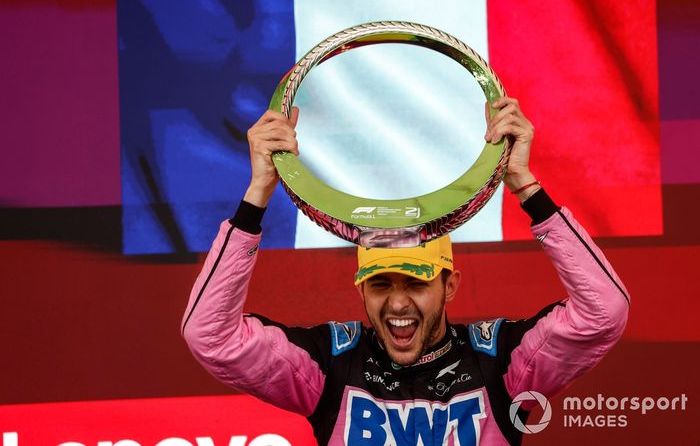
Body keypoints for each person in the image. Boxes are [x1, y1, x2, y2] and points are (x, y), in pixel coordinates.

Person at [181, 97, 630, 445]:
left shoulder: (501, 362)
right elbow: (210, 336)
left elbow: (604, 312)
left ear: (448, 285)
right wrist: (259, 191)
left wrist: (525, 186)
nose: (397, 302)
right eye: (379, 283)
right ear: (360, 290)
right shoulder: (329, 364)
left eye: (415, 280)